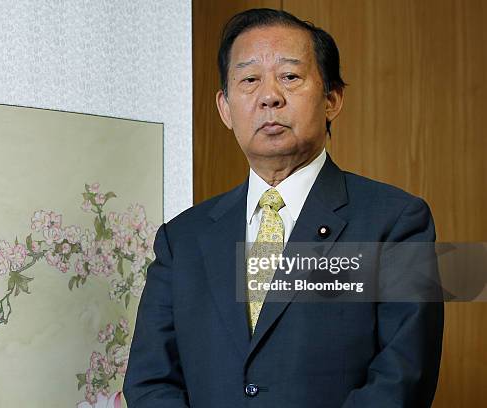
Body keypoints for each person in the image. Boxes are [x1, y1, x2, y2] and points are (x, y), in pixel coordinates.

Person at [123, 8, 443, 408]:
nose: (269, 96)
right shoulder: (181, 239)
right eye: (249, 80)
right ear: (225, 108)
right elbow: (150, 380)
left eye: (290, 77)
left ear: (332, 100)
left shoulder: (397, 221)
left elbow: (403, 377)